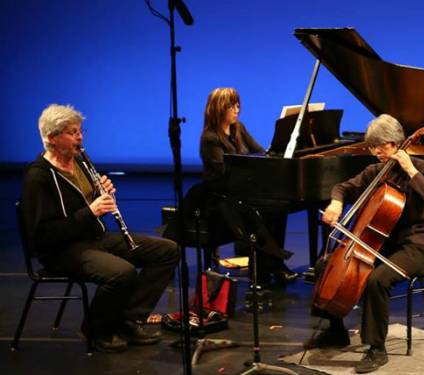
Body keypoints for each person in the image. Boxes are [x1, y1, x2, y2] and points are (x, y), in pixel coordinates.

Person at [21, 104, 179, 353]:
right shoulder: (38, 177)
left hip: (93, 238)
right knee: (122, 272)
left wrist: (99, 192)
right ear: (52, 138)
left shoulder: (80, 164)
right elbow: (41, 236)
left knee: (167, 250)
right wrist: (91, 211)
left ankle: (128, 319)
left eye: (81, 131)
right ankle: (95, 329)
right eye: (72, 132)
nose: (80, 137)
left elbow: (83, 203)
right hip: (61, 251)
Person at [305, 114, 424, 373]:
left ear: (398, 143)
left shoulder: (423, 168)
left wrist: (410, 170)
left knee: (377, 279)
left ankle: (376, 348)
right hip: (383, 245)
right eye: (372, 146)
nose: (376, 152)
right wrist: (336, 202)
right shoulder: (375, 172)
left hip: (415, 246)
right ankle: (335, 331)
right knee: (325, 264)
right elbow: (343, 188)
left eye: (382, 146)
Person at [199, 87, 298, 285]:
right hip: (222, 199)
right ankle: (271, 267)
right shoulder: (210, 138)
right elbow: (226, 172)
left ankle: (272, 264)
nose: (237, 110)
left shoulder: (239, 129)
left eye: (238, 106)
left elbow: (259, 152)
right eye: (231, 106)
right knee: (262, 212)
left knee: (279, 208)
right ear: (218, 109)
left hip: (243, 192)